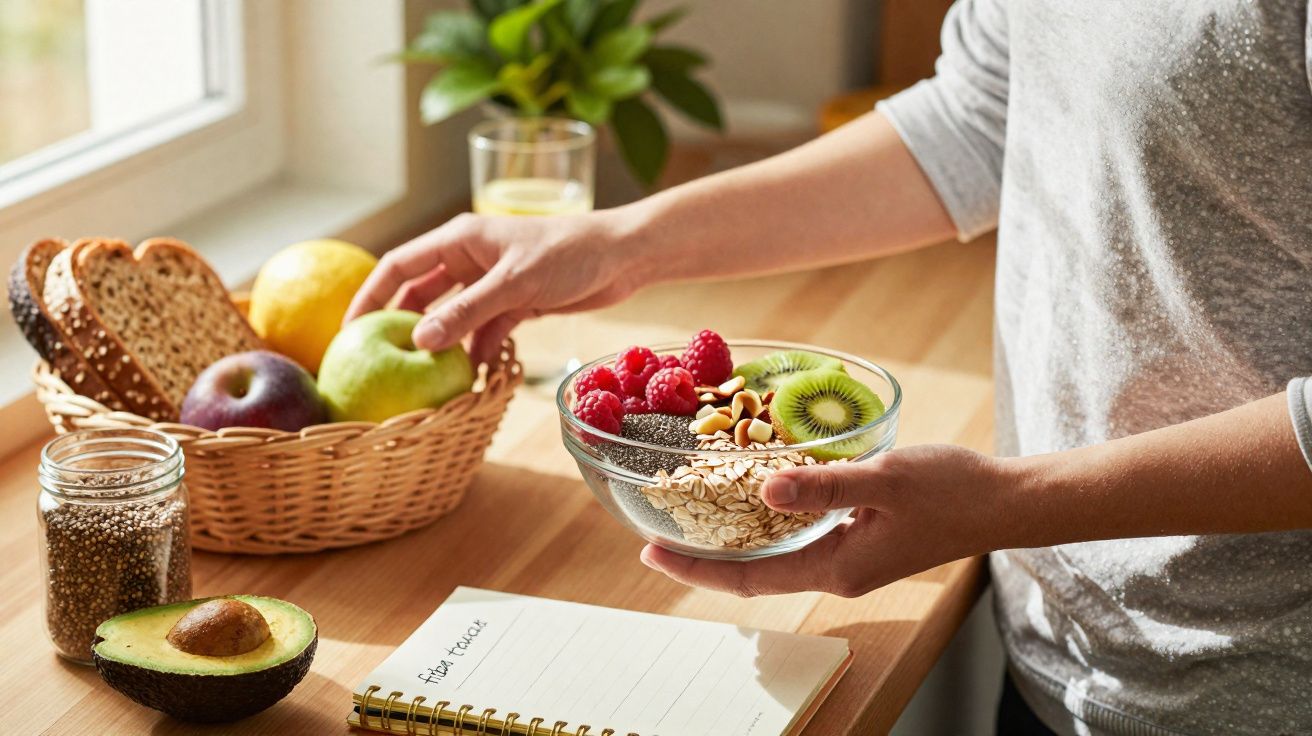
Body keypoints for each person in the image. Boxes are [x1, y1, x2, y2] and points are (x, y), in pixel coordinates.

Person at [346, 1, 1312, 733]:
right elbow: (983, 111)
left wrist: (1011, 502)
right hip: (1064, 648)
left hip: (1257, 687)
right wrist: (620, 242)